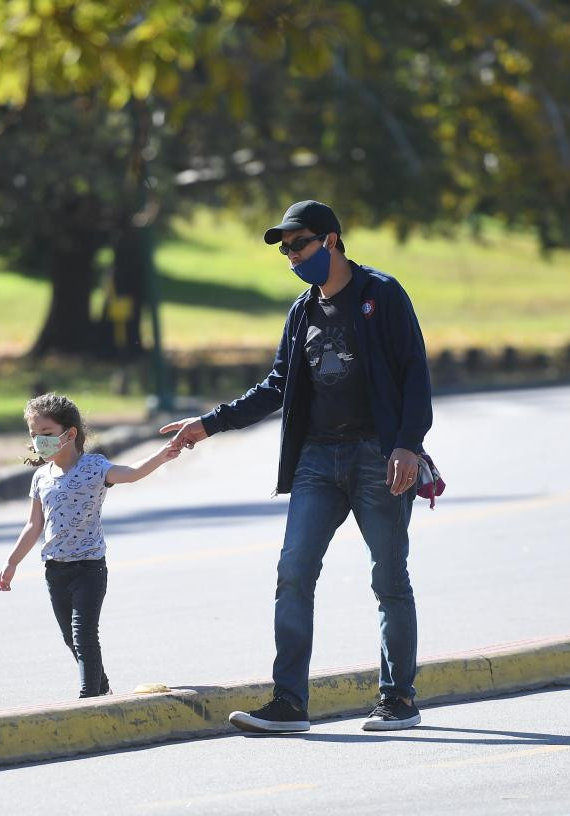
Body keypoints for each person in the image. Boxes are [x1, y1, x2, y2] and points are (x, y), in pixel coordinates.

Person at [161, 200, 433, 733]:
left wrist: (407, 444)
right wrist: (208, 424)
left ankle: (398, 699)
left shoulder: (382, 295)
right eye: (285, 249)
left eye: (299, 244)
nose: (291, 256)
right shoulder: (302, 311)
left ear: (331, 241)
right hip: (316, 460)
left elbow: (414, 373)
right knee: (293, 573)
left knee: (389, 576)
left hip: (376, 456)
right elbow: (278, 387)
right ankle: (290, 703)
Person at [0, 392, 180, 698]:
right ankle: (102, 686)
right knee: (70, 637)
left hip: (89, 568)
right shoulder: (42, 477)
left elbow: (132, 474)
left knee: (84, 634)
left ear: (70, 434)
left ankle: (90, 697)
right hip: (55, 570)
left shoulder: (94, 467)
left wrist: (163, 455)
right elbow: (34, 525)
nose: (39, 441)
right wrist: (11, 562)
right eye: (34, 435)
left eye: (46, 434)